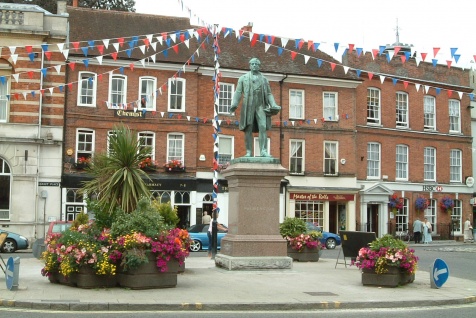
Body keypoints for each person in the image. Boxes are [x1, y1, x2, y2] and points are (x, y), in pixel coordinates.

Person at [230, 57, 281, 157]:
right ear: (250, 66)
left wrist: (273, 104)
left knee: (263, 126)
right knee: (248, 128)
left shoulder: (264, 80)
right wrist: (234, 104)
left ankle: (263, 151)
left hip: (261, 105)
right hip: (248, 105)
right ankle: (249, 151)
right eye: (252, 64)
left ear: (259, 66)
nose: (254, 65)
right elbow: (238, 92)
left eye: (256, 64)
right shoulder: (243, 78)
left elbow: (269, 94)